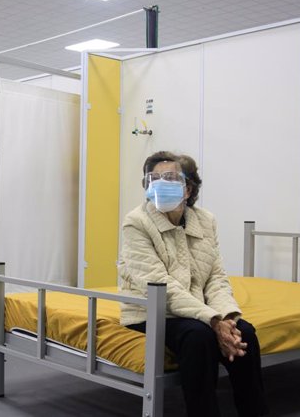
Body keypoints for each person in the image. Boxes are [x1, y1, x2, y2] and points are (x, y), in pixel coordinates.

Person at [118, 151, 267, 417]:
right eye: (154, 178)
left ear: (187, 189)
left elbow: (216, 278)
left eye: (170, 177)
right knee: (199, 337)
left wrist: (227, 318)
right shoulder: (136, 222)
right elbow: (158, 284)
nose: (160, 182)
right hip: (152, 309)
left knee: (246, 333)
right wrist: (212, 321)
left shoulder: (205, 220)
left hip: (198, 309)